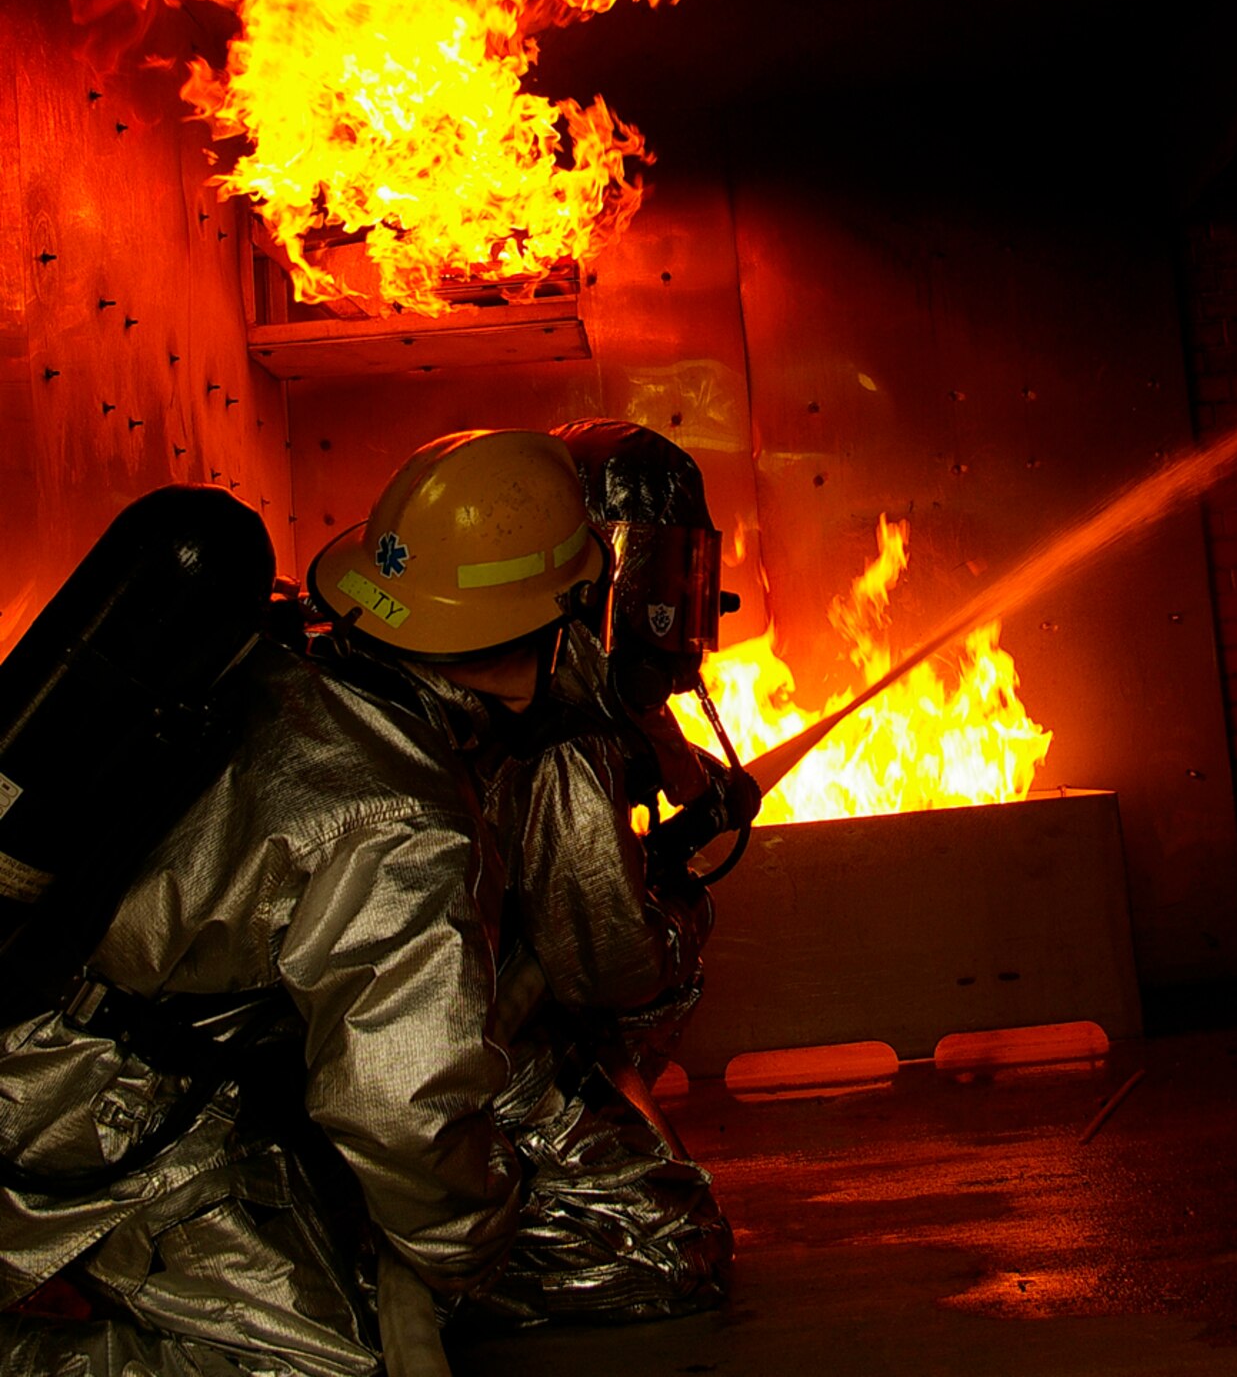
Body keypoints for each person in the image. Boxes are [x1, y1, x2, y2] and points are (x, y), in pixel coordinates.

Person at [0, 429, 729, 1377]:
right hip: (87, 1100)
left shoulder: (293, 661)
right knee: (312, 1370)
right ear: (558, 623)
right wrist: (465, 1248)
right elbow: (405, 1115)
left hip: (59, 1019)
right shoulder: (405, 822)